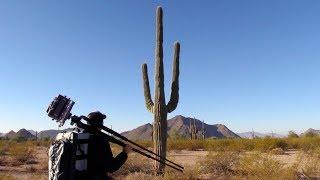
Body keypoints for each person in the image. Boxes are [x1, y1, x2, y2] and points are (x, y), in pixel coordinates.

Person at [75, 111, 131, 180]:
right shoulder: (100, 139)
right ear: (100, 124)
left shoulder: (79, 136)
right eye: (102, 121)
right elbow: (111, 167)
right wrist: (124, 153)